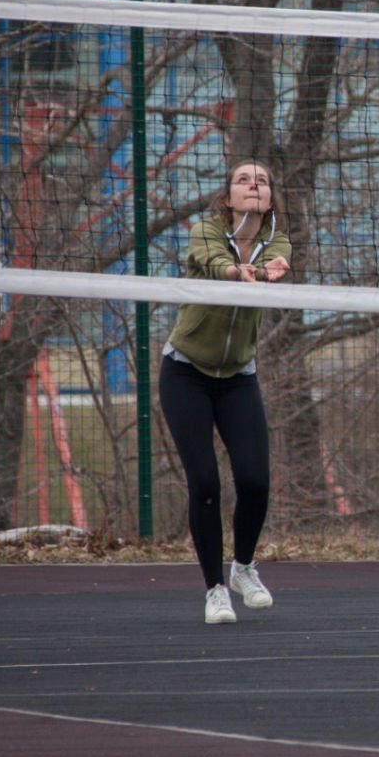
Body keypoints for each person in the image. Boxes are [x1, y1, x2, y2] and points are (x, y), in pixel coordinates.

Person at [160, 159, 292, 625]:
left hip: (238, 376)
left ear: (270, 198)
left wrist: (273, 269)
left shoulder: (277, 240)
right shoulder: (206, 231)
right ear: (228, 196)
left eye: (262, 181)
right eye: (243, 180)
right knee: (205, 484)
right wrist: (238, 273)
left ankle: (243, 569)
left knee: (255, 480)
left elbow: (279, 260)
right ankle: (215, 589)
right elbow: (215, 262)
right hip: (185, 373)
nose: (253, 186)